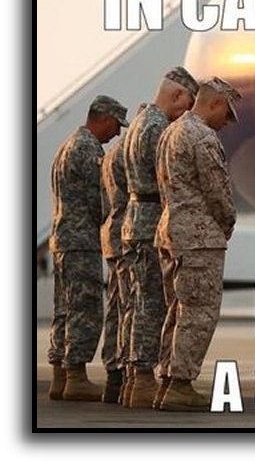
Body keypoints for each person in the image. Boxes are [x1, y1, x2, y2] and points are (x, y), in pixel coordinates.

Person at [155, 77, 241, 412]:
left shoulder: (171, 132)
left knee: (176, 310)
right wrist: (227, 223)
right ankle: (180, 384)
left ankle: (167, 380)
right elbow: (217, 192)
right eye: (227, 114)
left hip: (171, 232)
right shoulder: (202, 136)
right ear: (215, 103)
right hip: (198, 238)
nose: (226, 123)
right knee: (198, 312)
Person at [122, 67, 198, 408]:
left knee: (139, 302)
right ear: (177, 94)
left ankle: (132, 380)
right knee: (152, 304)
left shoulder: (141, 122)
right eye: (188, 104)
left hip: (136, 219)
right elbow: (167, 177)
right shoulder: (156, 128)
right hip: (150, 219)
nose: (186, 112)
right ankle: (142, 379)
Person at [48, 95, 127, 401]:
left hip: (63, 239)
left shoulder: (66, 146)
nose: (117, 133)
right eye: (116, 125)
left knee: (64, 309)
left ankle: (60, 375)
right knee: (85, 308)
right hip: (82, 242)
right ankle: (76, 377)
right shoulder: (88, 149)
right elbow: (99, 201)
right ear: (104, 118)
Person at [99, 121, 134, 403]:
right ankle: (125, 375)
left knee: (115, 306)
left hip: (112, 231)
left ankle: (114, 375)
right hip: (127, 233)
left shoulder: (111, 153)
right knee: (131, 307)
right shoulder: (130, 151)